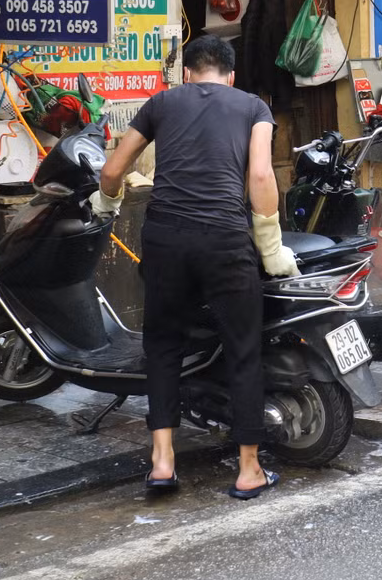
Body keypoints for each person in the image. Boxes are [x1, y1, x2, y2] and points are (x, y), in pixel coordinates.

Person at [91, 35, 299, 501]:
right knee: (243, 349)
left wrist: (107, 205)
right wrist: (270, 247)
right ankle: (248, 469)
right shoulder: (252, 107)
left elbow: (113, 169)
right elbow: (262, 176)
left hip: (165, 238)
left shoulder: (161, 102)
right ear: (230, 75)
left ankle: (162, 462)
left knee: (163, 345)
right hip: (225, 238)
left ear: (187, 73)